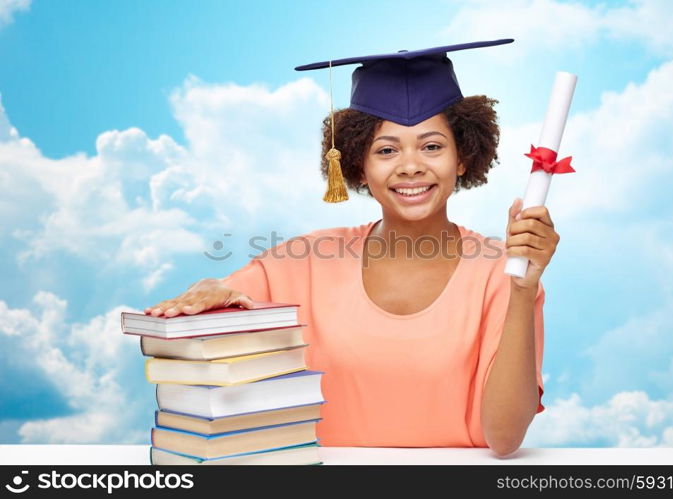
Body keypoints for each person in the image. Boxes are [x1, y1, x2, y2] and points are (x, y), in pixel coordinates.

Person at [145, 40, 561, 457]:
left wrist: (523, 291)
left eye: (432, 146)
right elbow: (227, 295)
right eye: (386, 150)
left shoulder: (502, 273)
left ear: (464, 157)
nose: (411, 165)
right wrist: (210, 288)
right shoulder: (306, 261)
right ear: (358, 164)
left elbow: (505, 439)